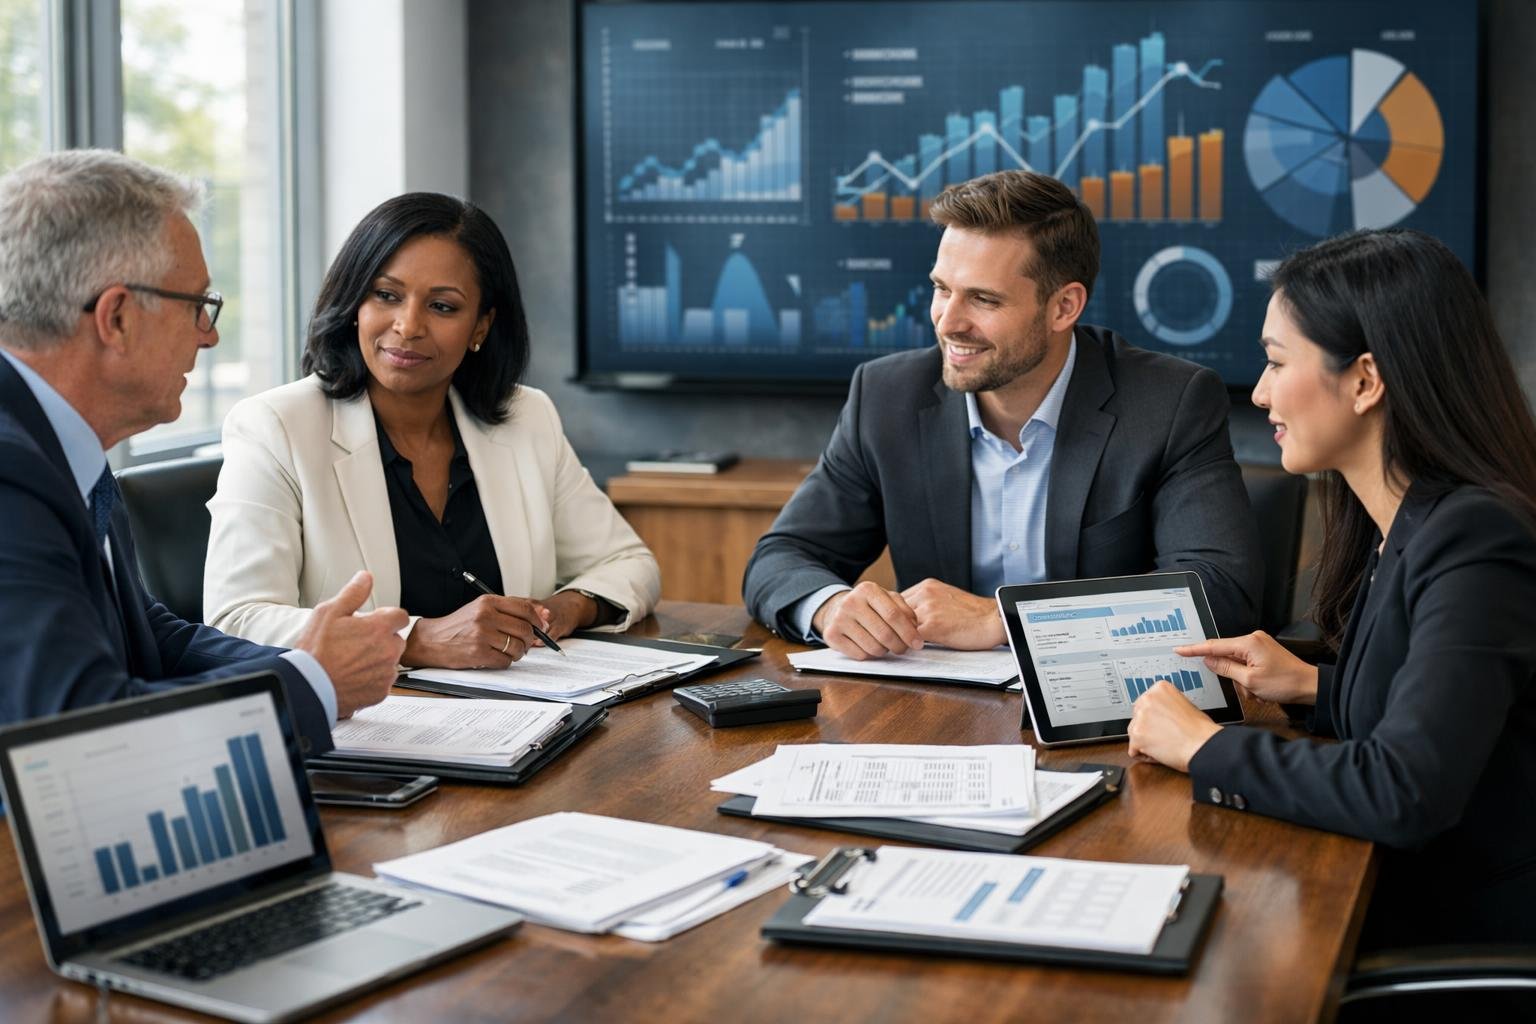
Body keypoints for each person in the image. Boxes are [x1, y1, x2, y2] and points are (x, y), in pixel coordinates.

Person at [1127, 228, 1536, 948]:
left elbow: (1403, 789)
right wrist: (1316, 685)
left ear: (1366, 381)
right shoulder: (1406, 519)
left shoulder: (1477, 537)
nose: (1258, 393)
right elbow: (1437, 705)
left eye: (1277, 362)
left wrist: (1202, 749)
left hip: (1452, 937)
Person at [743, 170, 1262, 658]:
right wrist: (831, 605)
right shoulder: (885, 396)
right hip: (933, 712)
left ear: (1064, 307)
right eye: (942, 289)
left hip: (1107, 715)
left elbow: (1219, 590)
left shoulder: (1169, 402)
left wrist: (1005, 620)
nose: (948, 322)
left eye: (983, 300)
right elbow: (781, 559)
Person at [0, 150, 407, 751]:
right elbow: (80, 732)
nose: (209, 335)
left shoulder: (65, 448)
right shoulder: (12, 478)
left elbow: (149, 638)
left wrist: (315, 660)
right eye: (197, 305)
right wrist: (311, 680)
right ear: (116, 317)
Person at [203, 192, 660, 669]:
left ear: (480, 326)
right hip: (366, 725)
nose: (408, 326)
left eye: (442, 306)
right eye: (386, 295)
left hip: (521, 718)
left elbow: (630, 564)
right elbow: (236, 619)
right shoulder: (276, 427)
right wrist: (416, 639)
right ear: (354, 302)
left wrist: (559, 610)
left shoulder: (528, 418)